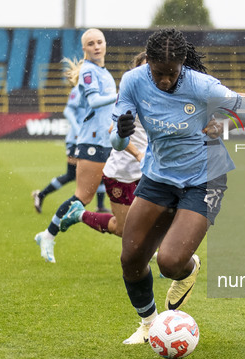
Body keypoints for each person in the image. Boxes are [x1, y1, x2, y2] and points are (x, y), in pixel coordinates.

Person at [110, 28, 245, 344]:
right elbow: (118, 142)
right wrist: (120, 133)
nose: (164, 80)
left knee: (170, 262)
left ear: (182, 63)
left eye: (171, 74)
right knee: (131, 259)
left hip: (204, 178)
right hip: (158, 176)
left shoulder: (202, 86)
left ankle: (188, 270)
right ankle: (149, 324)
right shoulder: (133, 81)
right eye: (158, 73)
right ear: (147, 63)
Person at [34, 28, 117, 263]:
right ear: (85, 49)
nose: (96, 46)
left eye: (99, 42)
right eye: (91, 43)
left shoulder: (104, 72)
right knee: (81, 197)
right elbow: (95, 101)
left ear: (105, 44)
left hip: (107, 141)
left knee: (130, 192)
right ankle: (48, 235)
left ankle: (144, 246)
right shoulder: (89, 71)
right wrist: (121, 95)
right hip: (91, 142)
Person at [59, 52, 149, 237]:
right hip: (123, 172)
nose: (149, 72)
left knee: (156, 219)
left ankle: (164, 257)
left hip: (147, 171)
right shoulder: (129, 96)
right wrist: (139, 154)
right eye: (144, 68)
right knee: (122, 229)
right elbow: (112, 130)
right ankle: (79, 214)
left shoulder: (162, 96)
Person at [31, 76, 109, 214]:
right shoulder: (78, 90)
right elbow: (68, 111)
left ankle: (100, 205)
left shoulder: (97, 92)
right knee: (71, 174)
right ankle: (41, 195)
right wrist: (78, 129)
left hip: (92, 140)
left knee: (101, 171)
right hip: (76, 139)